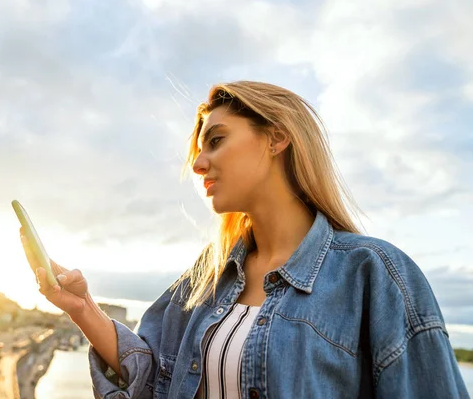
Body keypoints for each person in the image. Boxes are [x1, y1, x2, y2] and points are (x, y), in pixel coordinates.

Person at [25, 81, 469, 398]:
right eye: (200, 150)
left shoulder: (374, 275)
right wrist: (82, 308)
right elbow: (153, 375)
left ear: (277, 138)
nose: (199, 164)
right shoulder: (207, 277)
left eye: (216, 141)